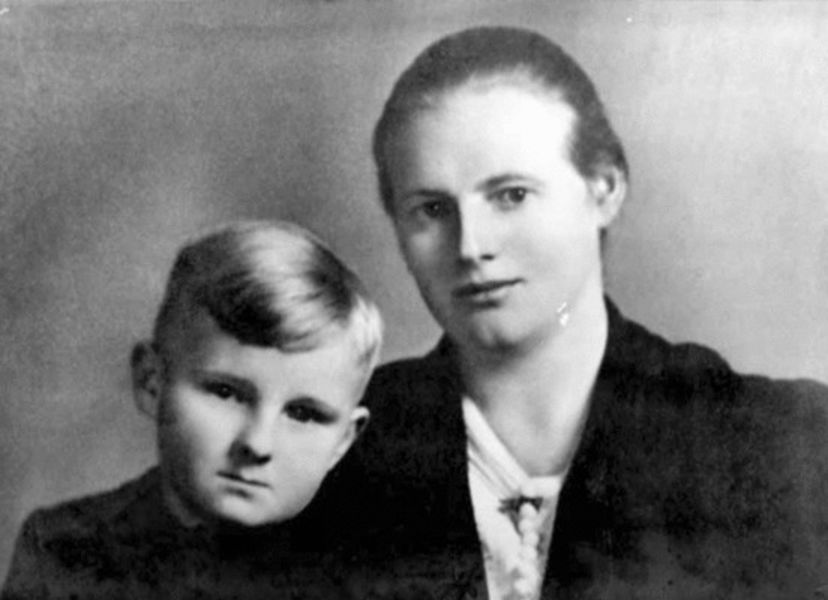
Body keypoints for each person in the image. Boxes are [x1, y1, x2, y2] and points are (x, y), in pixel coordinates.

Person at [331, 26, 828, 599]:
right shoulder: (329, 454)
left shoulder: (777, 443)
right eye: (433, 209)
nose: (471, 246)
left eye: (512, 195)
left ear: (605, 189)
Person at [1, 220, 383, 600]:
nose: (257, 443)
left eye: (302, 414)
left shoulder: (371, 574)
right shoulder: (64, 552)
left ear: (343, 441)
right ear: (152, 383)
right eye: (225, 392)